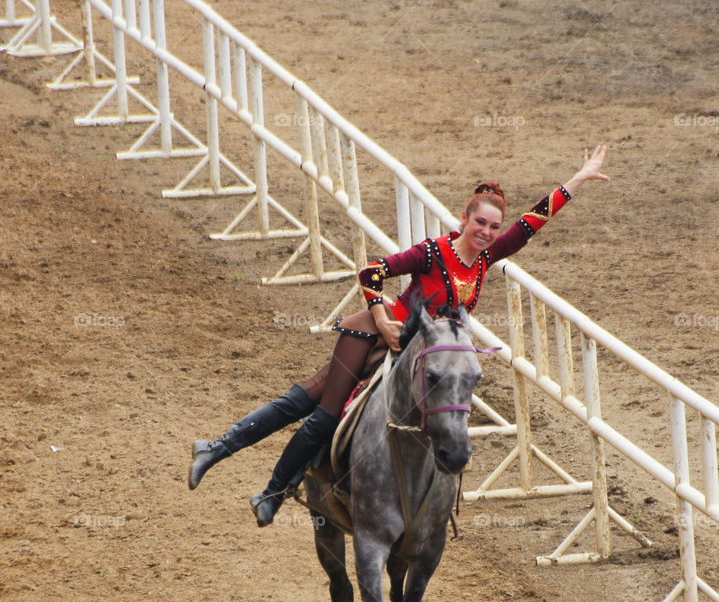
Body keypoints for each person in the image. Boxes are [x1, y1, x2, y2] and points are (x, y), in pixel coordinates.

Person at [188, 145, 609, 525]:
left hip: (419, 352)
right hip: (377, 332)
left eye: (494, 227)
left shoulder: (488, 256)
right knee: (319, 410)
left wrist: (578, 178)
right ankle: (266, 487)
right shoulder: (432, 251)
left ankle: (223, 454)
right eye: (480, 222)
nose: (487, 231)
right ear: (464, 218)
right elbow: (371, 272)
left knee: (319, 402)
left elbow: (532, 222)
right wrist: (381, 317)